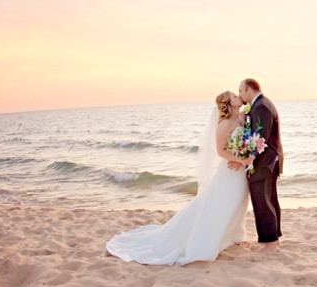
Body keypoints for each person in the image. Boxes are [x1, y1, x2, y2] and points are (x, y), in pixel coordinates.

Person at [105, 91, 251, 265]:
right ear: (228, 103)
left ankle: (230, 235)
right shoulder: (224, 124)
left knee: (235, 203)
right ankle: (206, 241)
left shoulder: (242, 117)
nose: (238, 96)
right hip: (229, 171)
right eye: (234, 96)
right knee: (221, 202)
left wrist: (244, 155)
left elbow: (247, 140)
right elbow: (221, 151)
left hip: (241, 170)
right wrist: (241, 159)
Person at [230, 78, 283, 253]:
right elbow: (256, 131)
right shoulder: (261, 104)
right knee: (269, 199)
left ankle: (271, 244)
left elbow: (261, 138)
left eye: (241, 91)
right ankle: (273, 240)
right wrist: (244, 120)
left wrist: (247, 159)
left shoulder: (261, 106)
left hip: (264, 163)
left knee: (262, 201)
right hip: (268, 161)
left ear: (250, 89)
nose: (239, 94)